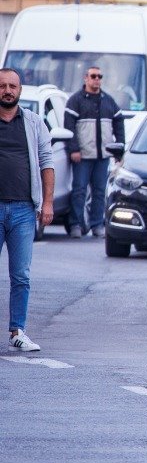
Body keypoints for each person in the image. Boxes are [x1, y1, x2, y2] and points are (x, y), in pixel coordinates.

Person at [0, 69, 54, 351]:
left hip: (23, 209)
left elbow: (47, 161)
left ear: (20, 90)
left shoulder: (33, 123)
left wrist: (47, 202)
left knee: (21, 275)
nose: (7, 90)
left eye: (12, 86)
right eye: (2, 86)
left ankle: (18, 330)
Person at [63, 65, 124, 239]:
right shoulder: (75, 100)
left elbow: (119, 123)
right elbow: (69, 127)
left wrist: (118, 149)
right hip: (82, 156)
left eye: (99, 76)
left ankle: (98, 224)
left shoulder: (108, 101)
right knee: (79, 190)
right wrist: (73, 149)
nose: (97, 79)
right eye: (93, 76)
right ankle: (76, 224)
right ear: (86, 78)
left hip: (102, 156)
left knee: (99, 191)